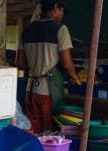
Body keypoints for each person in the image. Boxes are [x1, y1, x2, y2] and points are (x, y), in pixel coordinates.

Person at [17, 0, 81, 133]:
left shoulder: (26, 30)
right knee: (50, 130)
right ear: (55, 8)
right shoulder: (60, 28)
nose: (62, 15)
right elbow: (66, 63)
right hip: (49, 90)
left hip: (31, 89)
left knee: (33, 130)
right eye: (62, 10)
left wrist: (36, 69)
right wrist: (76, 79)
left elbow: (20, 64)